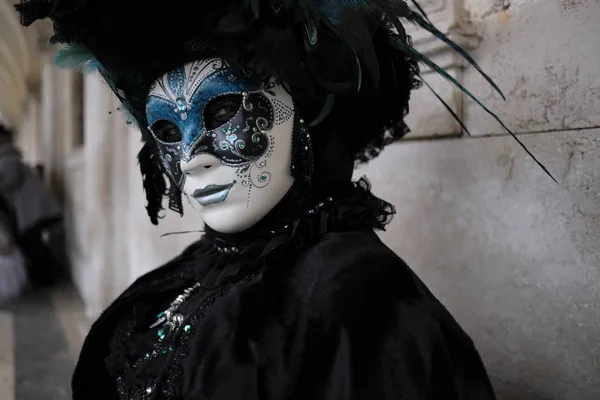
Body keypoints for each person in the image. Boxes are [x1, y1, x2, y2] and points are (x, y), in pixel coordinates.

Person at [13, 0, 537, 398]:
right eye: (167, 131)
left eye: (221, 113)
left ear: (304, 115)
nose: (192, 159)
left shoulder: (359, 307)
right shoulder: (199, 267)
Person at [0, 123, 63, 287]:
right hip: (33, 209)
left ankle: (48, 277)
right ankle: (49, 275)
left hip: (34, 210)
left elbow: (9, 182)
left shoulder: (7, 158)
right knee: (33, 244)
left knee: (32, 245)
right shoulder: (8, 156)